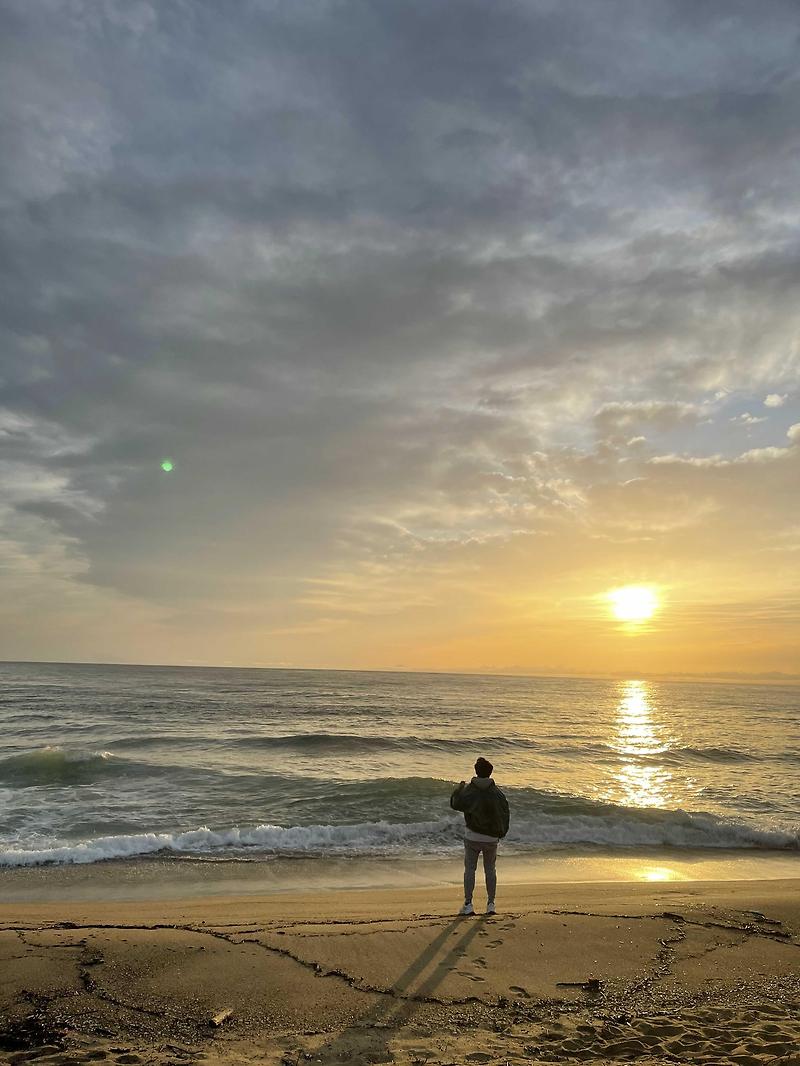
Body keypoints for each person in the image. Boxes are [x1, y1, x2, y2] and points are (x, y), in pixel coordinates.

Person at [450, 756, 510, 916]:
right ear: (490, 774)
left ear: (476, 772)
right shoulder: (497, 793)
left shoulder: (470, 790)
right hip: (491, 838)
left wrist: (458, 790)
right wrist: (502, 832)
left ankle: (468, 904)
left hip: (472, 836)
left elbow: (456, 804)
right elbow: (505, 813)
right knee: (490, 870)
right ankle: (491, 904)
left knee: (470, 869)